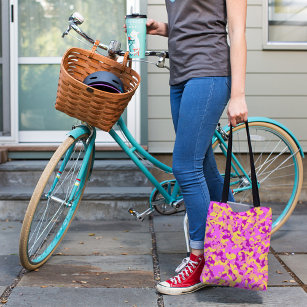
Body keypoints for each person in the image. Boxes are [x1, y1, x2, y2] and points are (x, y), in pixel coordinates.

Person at [146, 0, 248, 295]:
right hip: (180, 77)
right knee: (204, 167)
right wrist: (163, 28)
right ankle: (234, 251)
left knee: (185, 167)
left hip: (209, 73)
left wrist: (238, 94)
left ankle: (200, 262)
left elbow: (237, 32)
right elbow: (196, 23)